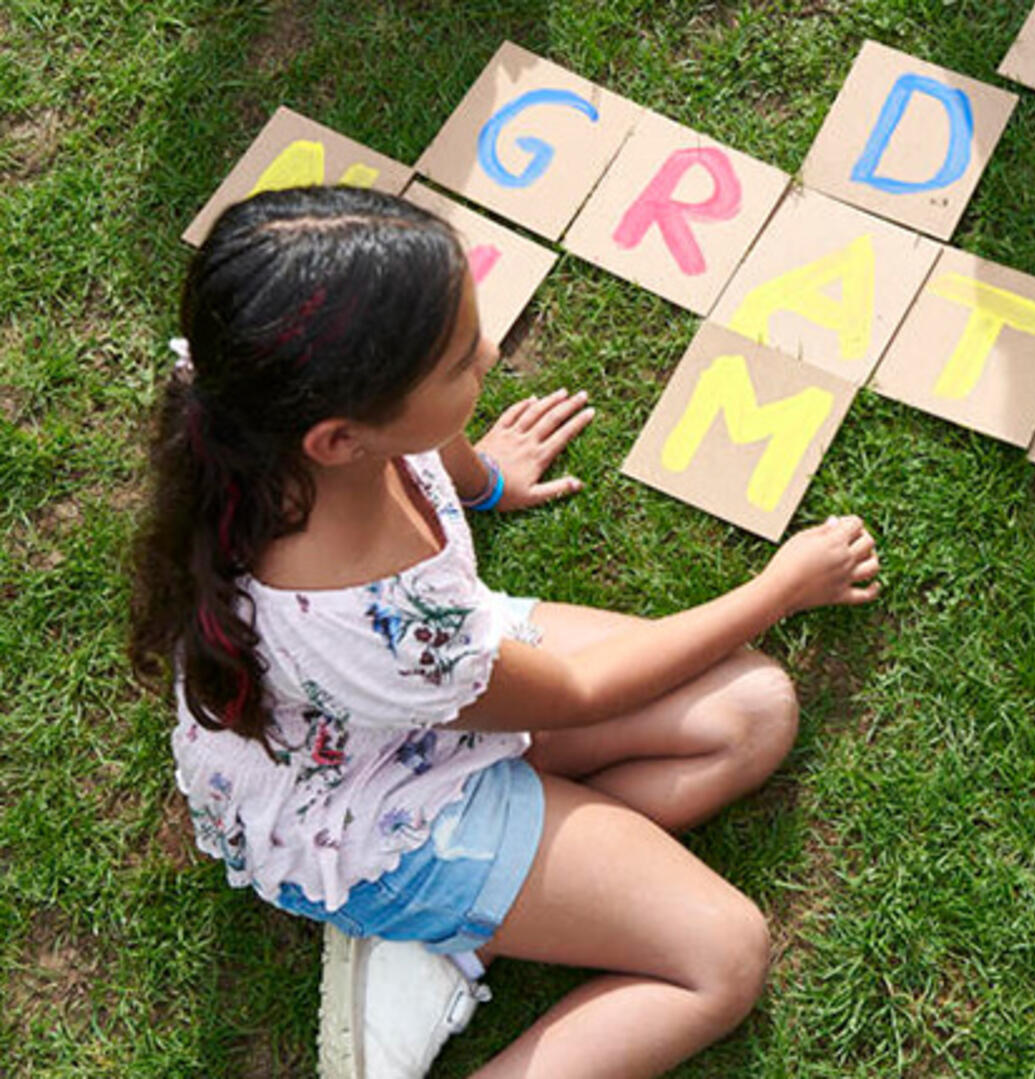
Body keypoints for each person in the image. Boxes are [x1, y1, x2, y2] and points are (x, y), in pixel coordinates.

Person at [128, 185, 881, 1079]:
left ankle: (471, 923)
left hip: (419, 707)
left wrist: (484, 479)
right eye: (458, 361)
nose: (490, 353)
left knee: (752, 709)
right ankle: (435, 919)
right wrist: (777, 590)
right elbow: (583, 693)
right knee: (725, 955)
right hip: (376, 816)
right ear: (340, 437)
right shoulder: (391, 627)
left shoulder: (284, 407)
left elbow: (425, 448)